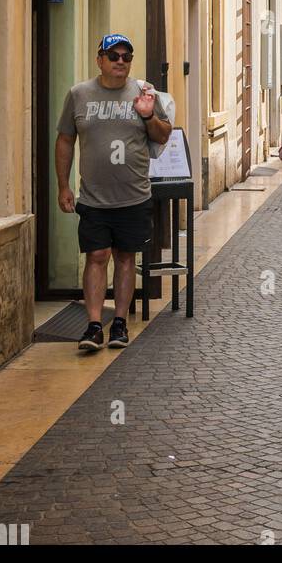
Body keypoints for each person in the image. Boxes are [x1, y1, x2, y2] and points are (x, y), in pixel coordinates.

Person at [55, 34, 174, 352]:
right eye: (113, 55)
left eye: (126, 56)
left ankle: (119, 322)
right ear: (100, 60)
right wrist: (63, 185)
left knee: (124, 258)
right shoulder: (79, 94)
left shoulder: (143, 92)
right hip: (93, 197)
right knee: (96, 256)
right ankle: (94, 325)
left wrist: (148, 115)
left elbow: (164, 135)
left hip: (134, 196)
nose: (120, 61)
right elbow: (65, 139)